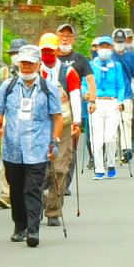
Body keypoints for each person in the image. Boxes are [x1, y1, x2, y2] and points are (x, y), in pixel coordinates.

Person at [0, 45, 63, 247]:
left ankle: (33, 230)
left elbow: (57, 118)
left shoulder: (48, 89)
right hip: (12, 148)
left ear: (38, 65)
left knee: (33, 188)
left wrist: (54, 140)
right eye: (24, 63)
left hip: (38, 149)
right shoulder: (8, 86)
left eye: (30, 63)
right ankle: (19, 226)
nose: (27, 67)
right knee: (16, 189)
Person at [38, 32, 83, 228]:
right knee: (37, 170)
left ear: (56, 51)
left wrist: (77, 122)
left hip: (63, 124)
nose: (47, 54)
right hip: (38, 125)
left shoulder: (68, 72)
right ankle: (35, 205)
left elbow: (75, 96)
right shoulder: (34, 70)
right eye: (44, 51)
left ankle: (53, 211)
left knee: (59, 168)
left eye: (50, 50)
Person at [0, 39, 27, 211]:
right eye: (13, 54)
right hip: (8, 119)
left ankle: (27, 191)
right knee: (8, 157)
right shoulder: (4, 73)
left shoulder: (34, 71)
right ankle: (7, 193)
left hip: (30, 123)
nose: (15, 57)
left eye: (18, 53)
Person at [56, 22, 96, 171]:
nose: (65, 39)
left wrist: (92, 100)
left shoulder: (80, 59)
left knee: (70, 146)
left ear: (73, 39)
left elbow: (90, 80)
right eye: (61, 36)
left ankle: (65, 181)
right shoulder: (49, 58)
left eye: (68, 36)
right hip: (53, 107)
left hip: (73, 107)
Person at [89, 35, 127, 179]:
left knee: (110, 137)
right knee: (96, 138)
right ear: (97, 48)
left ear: (111, 48)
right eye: (101, 46)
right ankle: (99, 168)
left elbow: (121, 85)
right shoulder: (91, 65)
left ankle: (111, 162)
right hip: (96, 102)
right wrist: (87, 94)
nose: (104, 49)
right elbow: (85, 83)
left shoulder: (117, 66)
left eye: (107, 46)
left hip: (112, 102)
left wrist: (120, 100)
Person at [112, 28, 134, 163]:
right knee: (114, 123)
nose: (119, 43)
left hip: (127, 94)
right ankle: (113, 149)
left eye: (121, 41)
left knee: (126, 121)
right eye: (117, 41)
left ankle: (126, 149)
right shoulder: (108, 56)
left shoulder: (131, 56)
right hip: (110, 95)